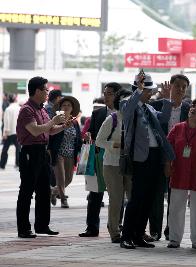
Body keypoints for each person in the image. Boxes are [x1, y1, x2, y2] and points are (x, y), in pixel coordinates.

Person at [119, 73, 174, 249]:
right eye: (147, 90)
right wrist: (138, 89)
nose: (150, 93)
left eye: (150, 90)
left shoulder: (149, 109)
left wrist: (167, 100)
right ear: (138, 89)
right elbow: (128, 109)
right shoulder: (127, 104)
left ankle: (138, 235)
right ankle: (126, 236)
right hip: (139, 157)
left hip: (155, 155)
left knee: (149, 198)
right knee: (137, 198)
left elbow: (164, 119)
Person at [16, 76, 69, 238]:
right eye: (46, 90)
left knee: (44, 191)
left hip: (43, 152)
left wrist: (64, 125)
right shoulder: (27, 110)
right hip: (30, 153)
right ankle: (24, 228)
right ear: (37, 91)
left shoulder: (41, 109)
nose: (48, 92)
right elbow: (35, 130)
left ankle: (42, 225)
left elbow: (49, 131)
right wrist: (53, 121)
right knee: (27, 190)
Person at [164, 98, 196, 249]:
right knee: (176, 206)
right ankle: (174, 239)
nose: (193, 109)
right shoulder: (177, 128)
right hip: (179, 171)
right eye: (192, 106)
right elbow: (167, 148)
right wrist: (167, 165)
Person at [150, 74, 190, 241]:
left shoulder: (189, 109)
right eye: (177, 85)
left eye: (183, 87)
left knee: (176, 195)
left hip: (180, 157)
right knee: (156, 194)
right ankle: (155, 231)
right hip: (158, 154)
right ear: (170, 86)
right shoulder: (156, 106)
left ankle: (171, 229)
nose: (180, 89)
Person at [79, 82, 122, 238]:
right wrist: (88, 136)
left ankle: (117, 225)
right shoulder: (98, 113)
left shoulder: (123, 114)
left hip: (116, 159)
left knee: (117, 195)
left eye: (109, 93)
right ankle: (92, 227)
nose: (106, 96)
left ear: (118, 95)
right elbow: (91, 133)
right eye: (105, 93)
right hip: (98, 158)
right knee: (95, 194)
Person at [95, 89, 133, 243]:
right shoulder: (113, 119)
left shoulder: (135, 118)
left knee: (133, 198)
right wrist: (117, 145)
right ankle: (114, 230)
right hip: (112, 164)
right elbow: (99, 141)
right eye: (124, 101)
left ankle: (134, 229)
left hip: (131, 164)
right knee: (116, 199)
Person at [48, 96, 82, 208]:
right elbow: (50, 136)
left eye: (69, 105)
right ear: (60, 108)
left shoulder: (75, 123)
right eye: (64, 105)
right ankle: (63, 199)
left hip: (71, 154)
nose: (66, 107)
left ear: (72, 108)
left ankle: (53, 191)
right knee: (61, 178)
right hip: (58, 153)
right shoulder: (56, 119)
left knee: (69, 178)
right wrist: (49, 150)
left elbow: (77, 138)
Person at [1, 94, 20, 170]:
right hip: (17, 132)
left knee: (5, 149)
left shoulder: (8, 109)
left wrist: (5, 133)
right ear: (15, 100)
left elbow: (6, 122)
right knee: (18, 148)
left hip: (9, 132)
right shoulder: (19, 108)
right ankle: (18, 164)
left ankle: (2, 165)